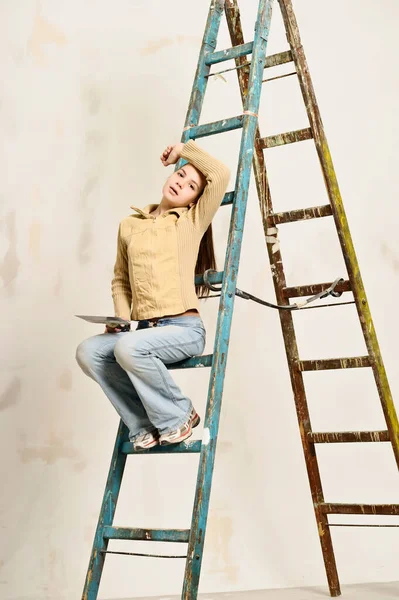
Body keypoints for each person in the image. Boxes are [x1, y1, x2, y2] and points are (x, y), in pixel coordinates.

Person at [76, 139, 230, 450]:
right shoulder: (129, 225)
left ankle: (179, 415)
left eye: (191, 186)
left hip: (184, 330)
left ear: (193, 201)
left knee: (129, 348)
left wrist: (183, 151)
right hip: (143, 333)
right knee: (88, 351)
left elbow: (222, 174)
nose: (180, 183)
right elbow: (121, 279)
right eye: (181, 174)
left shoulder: (190, 222)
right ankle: (144, 423)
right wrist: (120, 317)